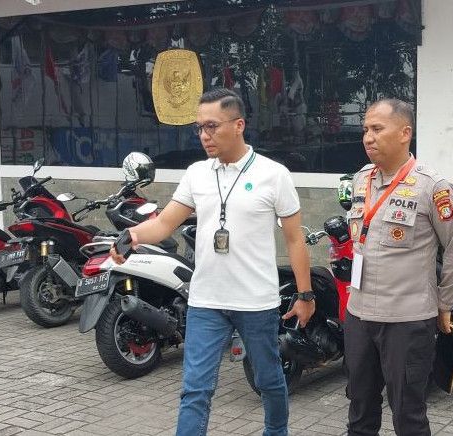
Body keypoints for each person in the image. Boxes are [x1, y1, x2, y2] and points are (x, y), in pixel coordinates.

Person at [109, 88, 315, 436]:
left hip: (255, 302)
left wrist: (305, 295)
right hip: (206, 301)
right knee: (195, 390)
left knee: (268, 380)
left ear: (239, 125)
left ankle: (276, 430)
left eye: (212, 126)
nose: (204, 135)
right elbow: (165, 223)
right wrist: (133, 235)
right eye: (199, 127)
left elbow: (295, 239)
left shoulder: (274, 174)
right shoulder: (197, 173)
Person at [343, 98, 453, 436]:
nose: (368, 137)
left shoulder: (432, 187)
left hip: (407, 320)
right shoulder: (361, 179)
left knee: (408, 415)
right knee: (359, 410)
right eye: (365, 130)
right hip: (359, 315)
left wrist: (444, 304)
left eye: (377, 129)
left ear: (404, 133)